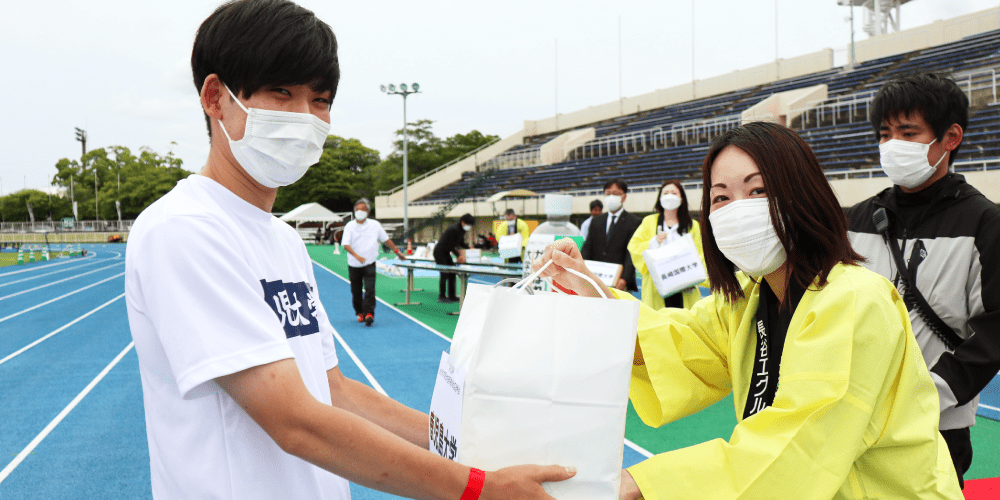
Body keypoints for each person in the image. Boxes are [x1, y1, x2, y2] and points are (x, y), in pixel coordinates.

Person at [123, 2, 574, 499]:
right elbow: (295, 420)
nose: (305, 116)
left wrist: (468, 446)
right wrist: (478, 488)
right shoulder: (184, 230)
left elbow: (332, 391)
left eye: (319, 99)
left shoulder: (282, 239)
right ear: (216, 97)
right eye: (282, 92)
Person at [533, 122, 962, 499]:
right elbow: (677, 343)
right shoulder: (747, 297)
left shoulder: (854, 300)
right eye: (721, 198)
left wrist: (645, 484)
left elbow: (798, 446)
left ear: (802, 194)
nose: (738, 210)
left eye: (758, 191)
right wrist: (590, 291)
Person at [845, 72, 1000, 489]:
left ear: (951, 138)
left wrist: (927, 395)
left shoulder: (986, 223)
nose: (892, 144)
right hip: (854, 423)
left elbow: (994, 332)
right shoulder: (853, 222)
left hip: (938, 427)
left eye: (908, 132)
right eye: (884, 133)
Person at [627, 179, 708, 310]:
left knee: (685, 323)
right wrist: (654, 242)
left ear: (682, 199)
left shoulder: (692, 225)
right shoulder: (649, 221)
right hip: (656, 284)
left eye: (674, 193)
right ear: (660, 198)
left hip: (685, 283)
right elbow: (634, 246)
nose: (670, 196)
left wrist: (695, 278)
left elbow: (700, 254)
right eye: (666, 193)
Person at [342, 198, 405, 326]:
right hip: (354, 263)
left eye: (363, 209)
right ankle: (360, 313)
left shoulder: (374, 225)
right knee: (356, 291)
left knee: (370, 289)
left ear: (368, 212)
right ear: (354, 211)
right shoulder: (350, 226)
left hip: (370, 262)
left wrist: (397, 252)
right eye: (358, 209)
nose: (360, 212)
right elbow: (345, 244)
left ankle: (369, 313)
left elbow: (386, 240)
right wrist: (356, 256)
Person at [581, 179, 641, 291]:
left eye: (616, 193)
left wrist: (624, 279)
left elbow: (631, 253)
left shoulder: (633, 222)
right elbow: (588, 247)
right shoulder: (596, 221)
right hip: (595, 279)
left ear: (624, 197)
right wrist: (581, 269)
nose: (611, 197)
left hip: (619, 282)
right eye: (608, 194)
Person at [434, 213, 473, 303]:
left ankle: (452, 296)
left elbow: (461, 243)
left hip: (446, 252)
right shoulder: (454, 229)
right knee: (444, 274)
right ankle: (442, 296)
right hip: (439, 252)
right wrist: (458, 255)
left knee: (452, 273)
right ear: (463, 222)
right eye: (468, 224)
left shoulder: (461, 230)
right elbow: (450, 245)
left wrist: (469, 248)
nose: (469, 227)